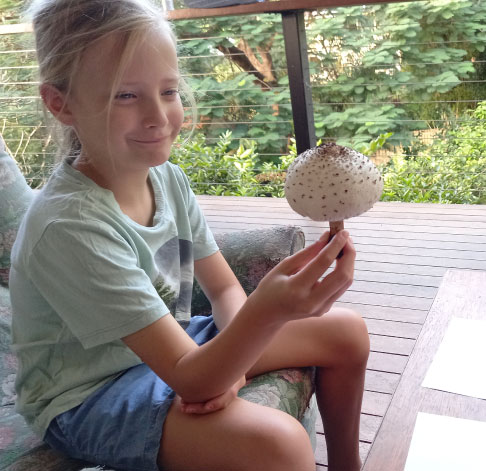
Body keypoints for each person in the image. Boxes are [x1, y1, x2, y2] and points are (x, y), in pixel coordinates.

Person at [9, 1, 369, 470]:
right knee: (278, 445)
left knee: (347, 333)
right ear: (62, 103)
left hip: (174, 345)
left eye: (168, 90)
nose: (158, 116)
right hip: (90, 395)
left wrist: (235, 361)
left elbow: (221, 288)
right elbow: (192, 379)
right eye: (125, 95)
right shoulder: (69, 226)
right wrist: (263, 318)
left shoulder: (167, 180)